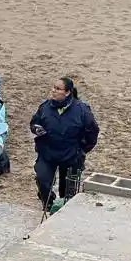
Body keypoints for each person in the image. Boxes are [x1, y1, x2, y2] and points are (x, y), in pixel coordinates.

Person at [30, 77, 100, 210]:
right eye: (53, 87)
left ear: (67, 92)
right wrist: (36, 128)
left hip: (71, 155)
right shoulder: (45, 107)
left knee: (67, 190)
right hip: (47, 152)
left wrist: (83, 149)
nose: (53, 91)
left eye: (58, 89)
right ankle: (48, 203)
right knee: (42, 178)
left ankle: (64, 209)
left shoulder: (82, 110)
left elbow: (92, 131)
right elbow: (34, 123)